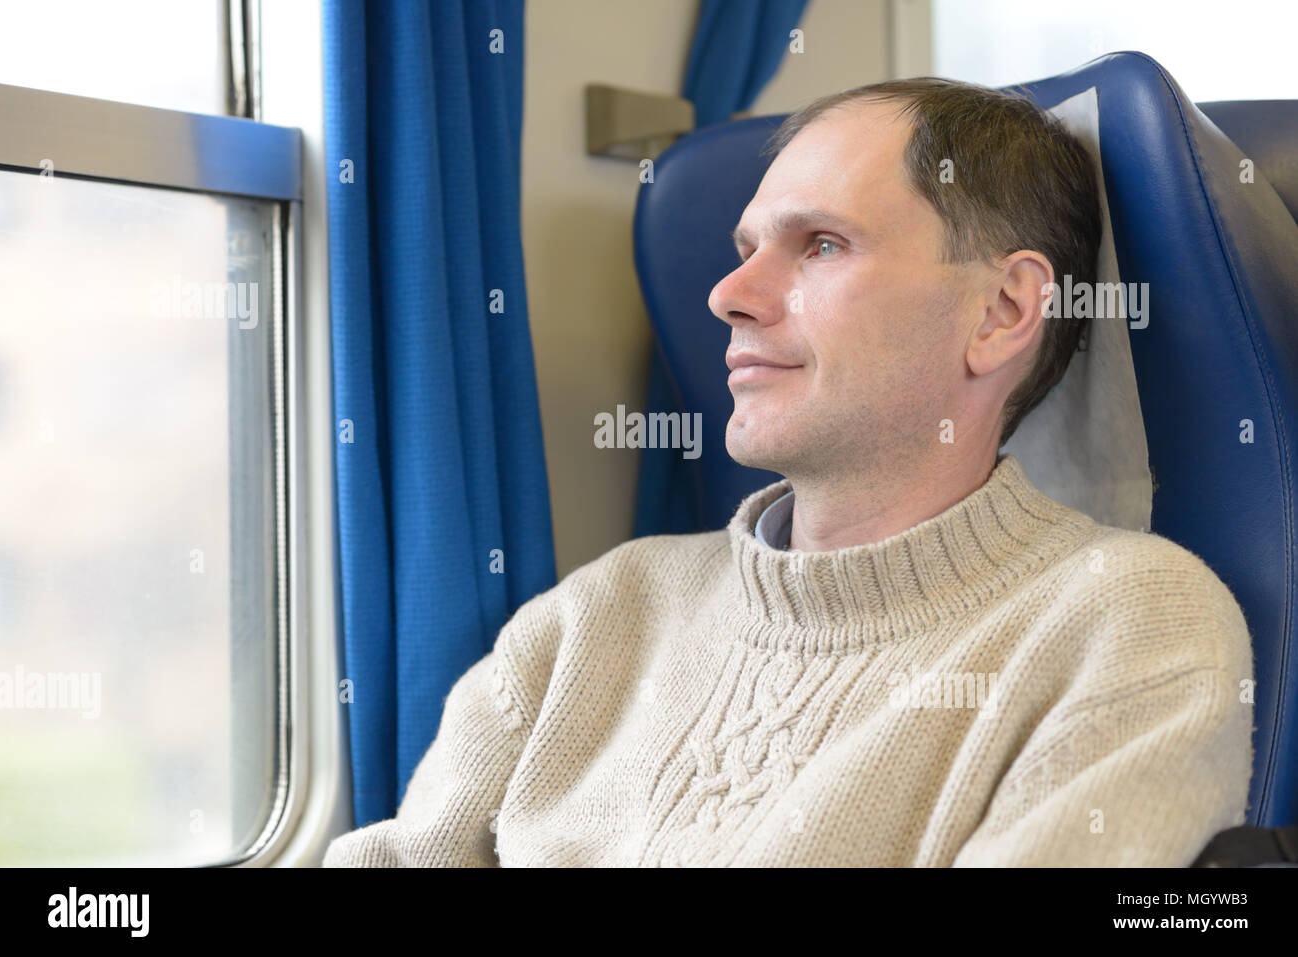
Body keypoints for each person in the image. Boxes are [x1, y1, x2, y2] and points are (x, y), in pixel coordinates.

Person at [323, 77, 1255, 867]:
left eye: (820, 245)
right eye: (744, 249)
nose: (729, 296)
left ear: (1003, 313)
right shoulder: (599, 613)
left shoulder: (1131, 628)